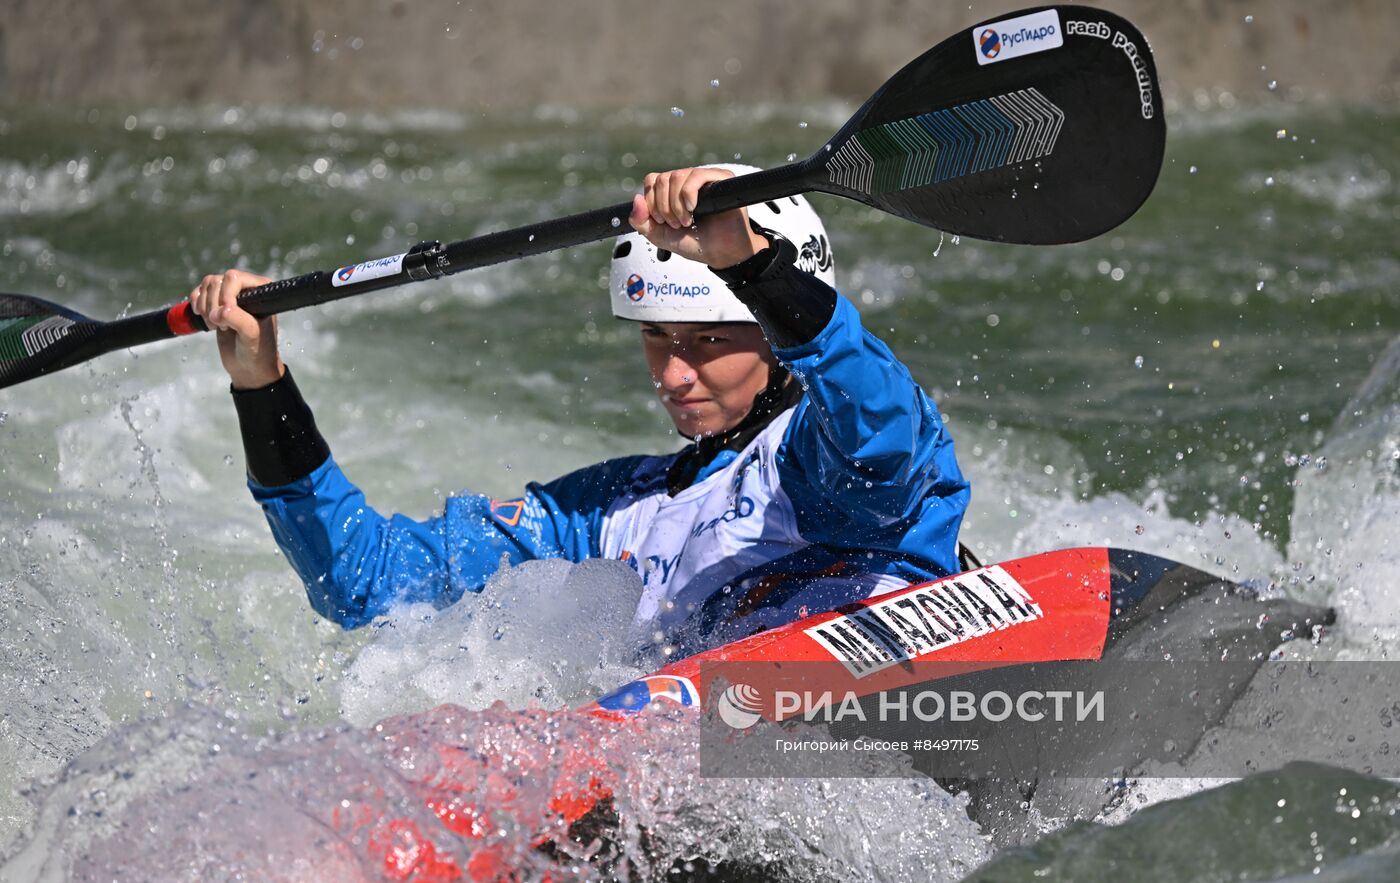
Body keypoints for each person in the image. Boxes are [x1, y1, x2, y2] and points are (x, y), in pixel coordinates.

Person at [190, 164, 970, 659]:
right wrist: (263, 386)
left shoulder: (819, 458)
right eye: (656, 338)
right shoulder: (599, 514)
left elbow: (878, 429)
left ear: (771, 333)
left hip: (881, 669)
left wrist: (753, 265)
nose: (673, 371)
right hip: (695, 744)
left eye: (706, 340)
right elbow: (365, 581)